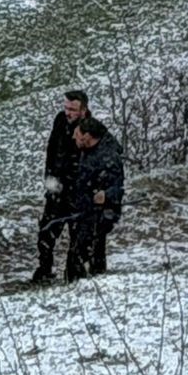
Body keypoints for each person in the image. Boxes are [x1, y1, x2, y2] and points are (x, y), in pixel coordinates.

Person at [34, 89, 91, 283]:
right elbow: (51, 149)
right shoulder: (60, 121)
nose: (68, 112)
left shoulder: (89, 128)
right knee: (46, 230)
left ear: (83, 110)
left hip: (77, 190)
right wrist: (49, 178)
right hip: (56, 186)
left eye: (72, 109)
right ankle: (44, 268)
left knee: (78, 235)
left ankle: (73, 274)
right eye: (66, 108)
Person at [66, 116, 126, 281]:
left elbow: (118, 188)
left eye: (77, 134)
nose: (73, 137)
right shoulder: (89, 152)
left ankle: (91, 284)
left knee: (87, 253)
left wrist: (105, 196)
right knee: (79, 253)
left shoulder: (108, 157)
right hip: (84, 212)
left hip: (97, 216)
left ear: (87, 136)